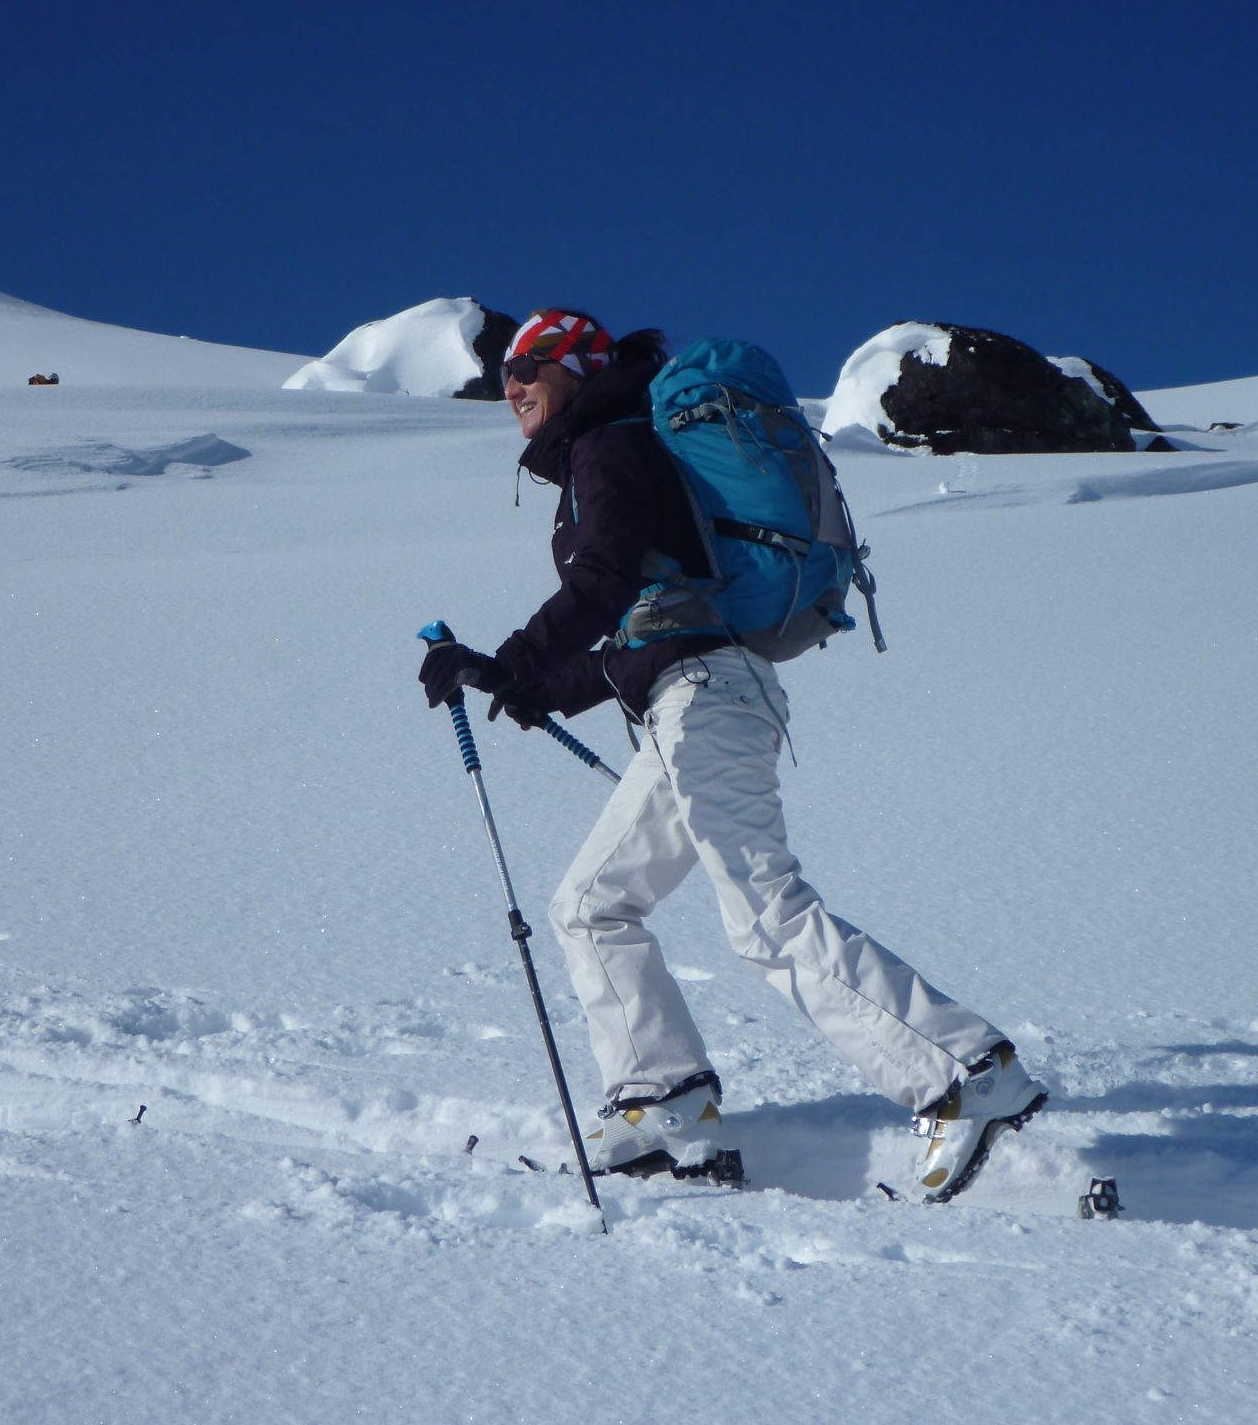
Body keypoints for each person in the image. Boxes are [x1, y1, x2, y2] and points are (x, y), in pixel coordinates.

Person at [419, 307, 1046, 1199]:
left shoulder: (611, 442)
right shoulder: (619, 447)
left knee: (764, 911)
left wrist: (513, 659)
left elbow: (605, 576)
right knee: (590, 905)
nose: (511, 383)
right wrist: (532, 686)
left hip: (707, 700)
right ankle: (661, 1100)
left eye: (532, 364)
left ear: (579, 370)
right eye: (507, 371)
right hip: (697, 694)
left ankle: (964, 1073)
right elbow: (658, 607)